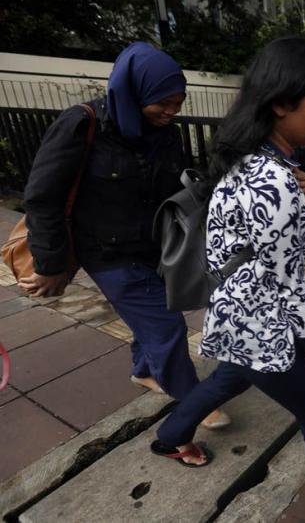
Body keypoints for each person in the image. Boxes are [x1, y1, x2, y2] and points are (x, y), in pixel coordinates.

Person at [149, 37, 305, 523]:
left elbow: (270, 244)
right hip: (262, 320)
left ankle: (171, 438)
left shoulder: (255, 158)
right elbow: (289, 283)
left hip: (236, 310)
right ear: (281, 103)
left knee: (229, 377)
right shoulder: (275, 179)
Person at [21, 42, 228, 429]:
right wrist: (50, 265)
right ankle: (191, 400)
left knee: (150, 318)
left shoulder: (164, 134)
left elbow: (175, 187)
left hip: (154, 247)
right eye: (162, 103)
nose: (172, 112)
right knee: (167, 325)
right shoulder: (82, 125)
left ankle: (143, 370)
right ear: (134, 93)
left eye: (178, 102)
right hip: (106, 252)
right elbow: (42, 198)